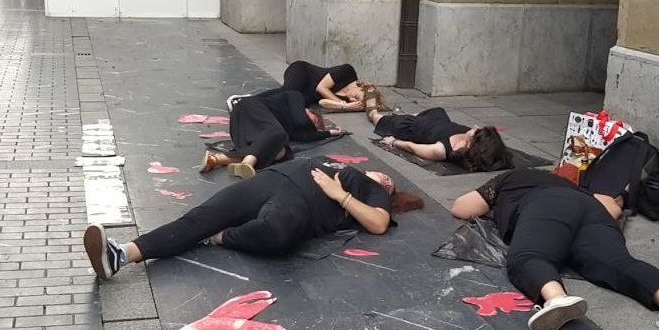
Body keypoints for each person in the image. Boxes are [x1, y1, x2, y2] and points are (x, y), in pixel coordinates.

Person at [450, 168, 659, 330]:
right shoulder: (573, 187)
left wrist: (497, 200)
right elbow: (613, 210)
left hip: (546, 204)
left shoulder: (511, 179)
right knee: (618, 263)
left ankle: (556, 299)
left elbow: (462, 207)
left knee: (528, 256)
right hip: (592, 211)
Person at [84, 158, 423, 280]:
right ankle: (121, 255)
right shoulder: (342, 166)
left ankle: (224, 237)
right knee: (199, 217)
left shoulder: (369, 188)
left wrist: (341, 196)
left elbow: (378, 223)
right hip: (272, 179)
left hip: (301, 201)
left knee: (278, 232)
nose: (384, 175)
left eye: (389, 181)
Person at [200, 91, 346, 179]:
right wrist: (317, 130)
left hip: (250, 128)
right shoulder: (295, 97)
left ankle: (217, 160)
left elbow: (303, 136)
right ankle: (247, 163)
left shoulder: (285, 126)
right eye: (313, 120)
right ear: (310, 111)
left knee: (280, 152)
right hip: (248, 108)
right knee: (279, 134)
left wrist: (329, 133)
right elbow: (301, 121)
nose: (308, 122)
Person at [372, 106, 513, 172]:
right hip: (436, 119)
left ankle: (370, 105)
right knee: (437, 111)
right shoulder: (468, 138)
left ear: (472, 144)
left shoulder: (441, 150)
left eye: (476, 130)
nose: (475, 126)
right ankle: (409, 114)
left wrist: (394, 142)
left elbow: (412, 148)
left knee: (375, 117)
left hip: (409, 126)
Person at [237, 61, 372, 112]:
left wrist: (345, 106)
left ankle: (255, 104)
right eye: (358, 97)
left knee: (293, 102)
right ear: (362, 87)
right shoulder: (348, 71)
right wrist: (341, 102)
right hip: (303, 72)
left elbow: (322, 102)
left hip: (309, 95)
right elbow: (322, 88)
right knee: (289, 92)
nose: (354, 100)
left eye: (357, 102)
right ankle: (245, 102)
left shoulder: (348, 101)